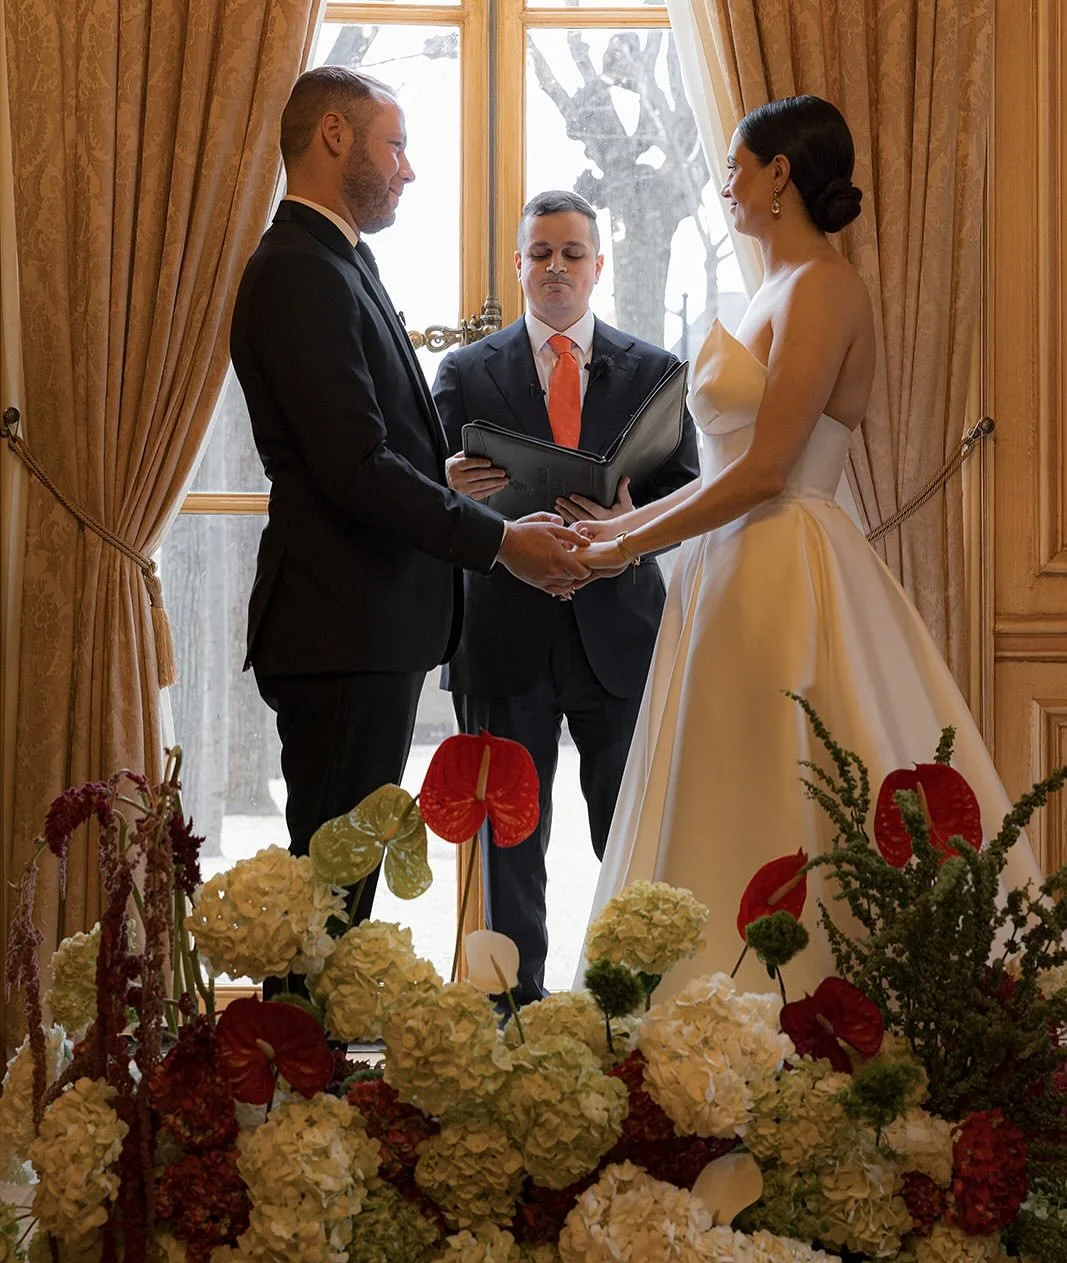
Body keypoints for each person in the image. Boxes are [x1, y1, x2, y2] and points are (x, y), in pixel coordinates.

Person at [572, 95, 1041, 999]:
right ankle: (703, 1013)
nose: (724, 183)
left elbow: (764, 472)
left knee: (788, 780)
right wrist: (616, 529)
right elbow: (727, 468)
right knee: (719, 778)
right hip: (726, 569)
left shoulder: (826, 287)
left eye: (736, 166)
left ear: (779, 172)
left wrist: (621, 545)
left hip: (781, 560)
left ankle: (806, 1006)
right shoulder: (771, 290)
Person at [230, 68, 589, 957]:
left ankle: (313, 1077)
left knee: (336, 901)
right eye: (396, 145)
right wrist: (501, 541)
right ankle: (298, 1080)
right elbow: (353, 466)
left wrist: (446, 482)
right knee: (325, 901)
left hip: (364, 628)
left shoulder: (338, 259)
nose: (409, 170)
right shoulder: (298, 270)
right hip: (338, 629)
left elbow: (371, 447)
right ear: (334, 137)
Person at [433, 190, 699, 1005]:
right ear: (517, 265)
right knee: (511, 844)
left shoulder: (653, 371)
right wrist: (444, 479)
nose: (555, 267)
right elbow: (423, 496)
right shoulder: (464, 373)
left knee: (628, 832)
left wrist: (631, 527)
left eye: (570, 253)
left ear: (597, 266)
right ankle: (516, 1015)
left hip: (617, 633)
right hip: (503, 635)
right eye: (539, 252)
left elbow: (688, 493)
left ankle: (631, 1015)